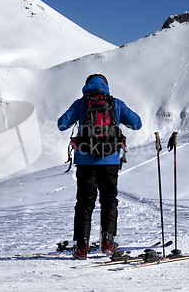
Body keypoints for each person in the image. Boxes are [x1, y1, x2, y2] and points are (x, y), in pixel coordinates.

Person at [57, 74, 142, 260]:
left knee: (85, 204)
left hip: (85, 162)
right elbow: (137, 123)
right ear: (106, 86)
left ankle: (81, 247)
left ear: (86, 85)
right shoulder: (115, 103)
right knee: (109, 200)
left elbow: (61, 124)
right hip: (110, 161)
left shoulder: (81, 103)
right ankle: (108, 243)